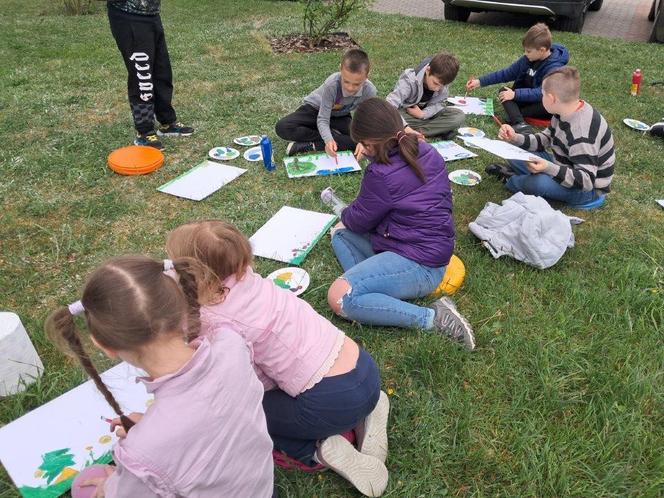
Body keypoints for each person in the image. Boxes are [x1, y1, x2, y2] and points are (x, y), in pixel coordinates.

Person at [166, 221, 390, 497]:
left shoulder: (215, 320)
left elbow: (245, 379)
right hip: (362, 368)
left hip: (329, 400)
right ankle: (367, 411)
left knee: (250, 412)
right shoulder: (246, 276)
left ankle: (317, 451)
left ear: (197, 277)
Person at [45, 256, 274, 498]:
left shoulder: (141, 453)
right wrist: (148, 426)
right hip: (262, 488)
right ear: (182, 312)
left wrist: (108, 488)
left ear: (103, 346)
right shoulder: (230, 343)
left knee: (85, 485)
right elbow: (212, 418)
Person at [326, 98, 475, 351]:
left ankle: (433, 319)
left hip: (421, 264)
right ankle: (373, 293)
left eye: (362, 142)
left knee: (339, 297)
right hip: (412, 245)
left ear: (371, 144)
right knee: (340, 235)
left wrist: (344, 211)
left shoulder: (381, 174)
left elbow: (359, 219)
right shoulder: (424, 149)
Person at [490, 66, 615, 209]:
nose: (541, 98)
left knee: (538, 183)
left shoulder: (581, 134)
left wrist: (548, 168)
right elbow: (544, 139)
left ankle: (511, 180)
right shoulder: (564, 111)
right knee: (512, 146)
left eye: (542, 94)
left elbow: (585, 181)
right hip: (562, 167)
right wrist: (514, 137)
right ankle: (528, 176)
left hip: (587, 191)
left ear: (551, 99)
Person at [107, 0, 194, 150]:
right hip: (128, 15)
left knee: (162, 71)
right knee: (142, 74)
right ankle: (145, 131)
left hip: (151, 13)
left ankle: (167, 122)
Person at [466, 23, 569, 134]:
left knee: (548, 102)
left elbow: (542, 93)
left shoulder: (554, 68)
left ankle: (518, 121)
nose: (525, 54)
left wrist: (515, 95)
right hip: (525, 97)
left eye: (528, 51)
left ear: (542, 50)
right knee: (504, 91)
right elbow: (506, 73)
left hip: (544, 104)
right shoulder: (527, 59)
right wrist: (480, 82)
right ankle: (519, 121)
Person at [275, 48, 377, 159]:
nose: (350, 88)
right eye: (346, 81)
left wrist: (363, 142)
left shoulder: (370, 91)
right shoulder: (332, 84)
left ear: (367, 76)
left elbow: (364, 122)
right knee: (283, 127)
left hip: (340, 116)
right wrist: (329, 139)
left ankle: (314, 144)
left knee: (361, 143)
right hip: (314, 110)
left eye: (356, 84)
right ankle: (332, 136)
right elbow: (323, 118)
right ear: (340, 70)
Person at [386, 51, 465, 138]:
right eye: (435, 83)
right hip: (407, 115)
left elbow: (440, 103)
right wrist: (405, 126)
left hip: (425, 115)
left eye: (442, 86)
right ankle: (431, 131)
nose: (437, 89)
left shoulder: (442, 80)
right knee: (388, 117)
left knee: (458, 115)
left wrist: (423, 114)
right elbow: (389, 105)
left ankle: (414, 133)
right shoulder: (409, 80)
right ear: (428, 70)